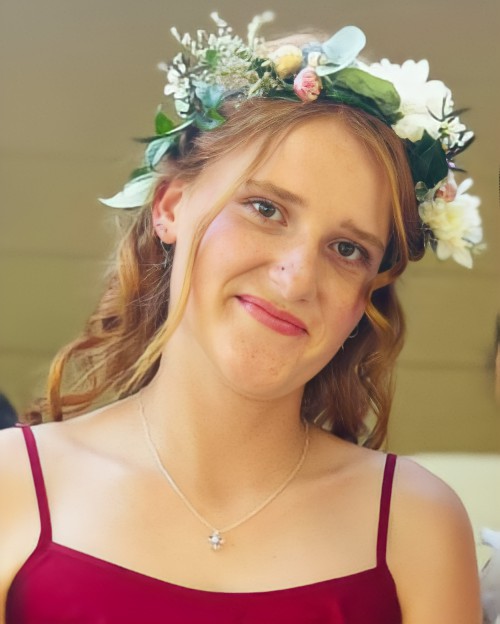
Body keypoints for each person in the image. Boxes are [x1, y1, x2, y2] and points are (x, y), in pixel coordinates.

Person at [0, 13, 483, 624]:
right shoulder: (12, 486)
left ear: (366, 294)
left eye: (347, 249)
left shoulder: (418, 526)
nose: (296, 278)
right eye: (265, 209)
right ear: (171, 206)